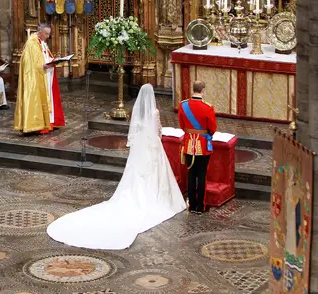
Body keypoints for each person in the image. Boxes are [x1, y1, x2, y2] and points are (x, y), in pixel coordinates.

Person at [47, 84, 186, 249]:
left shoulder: (137, 112)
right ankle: (153, 196)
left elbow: (133, 132)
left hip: (139, 147)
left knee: (135, 172)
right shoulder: (154, 113)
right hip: (152, 146)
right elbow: (158, 132)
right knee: (153, 173)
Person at [13, 24, 65, 134]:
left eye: (49, 34)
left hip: (46, 75)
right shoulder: (32, 43)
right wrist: (43, 66)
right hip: (36, 77)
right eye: (46, 34)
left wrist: (53, 60)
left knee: (49, 98)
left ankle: (49, 122)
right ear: (40, 32)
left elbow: (44, 56)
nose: (47, 36)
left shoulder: (42, 42)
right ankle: (37, 124)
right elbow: (30, 64)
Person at [178, 80, 217, 214]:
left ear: (192, 89)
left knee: (191, 174)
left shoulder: (183, 106)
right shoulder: (208, 107)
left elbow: (182, 126)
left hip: (189, 145)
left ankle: (192, 206)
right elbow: (212, 129)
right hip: (202, 146)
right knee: (201, 176)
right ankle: (201, 206)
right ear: (203, 91)